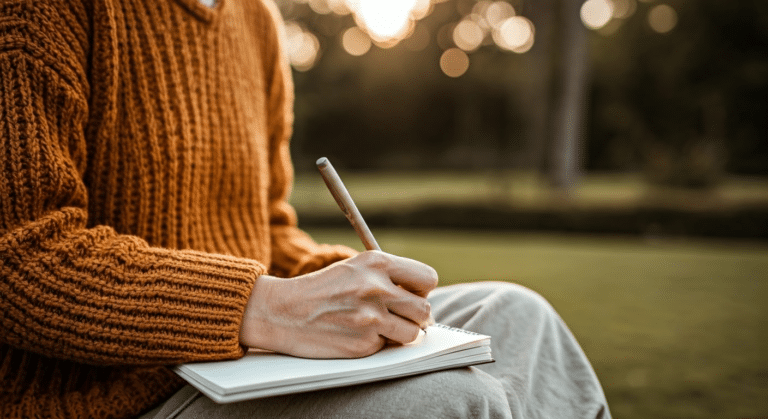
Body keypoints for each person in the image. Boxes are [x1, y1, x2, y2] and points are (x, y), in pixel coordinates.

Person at [0, 0, 612, 417]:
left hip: (241, 362)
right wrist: (264, 307)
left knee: (520, 320)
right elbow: (18, 255)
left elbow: (261, 227)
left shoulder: (254, 17)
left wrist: (348, 284)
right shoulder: (40, 11)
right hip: (109, 397)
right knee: (450, 401)